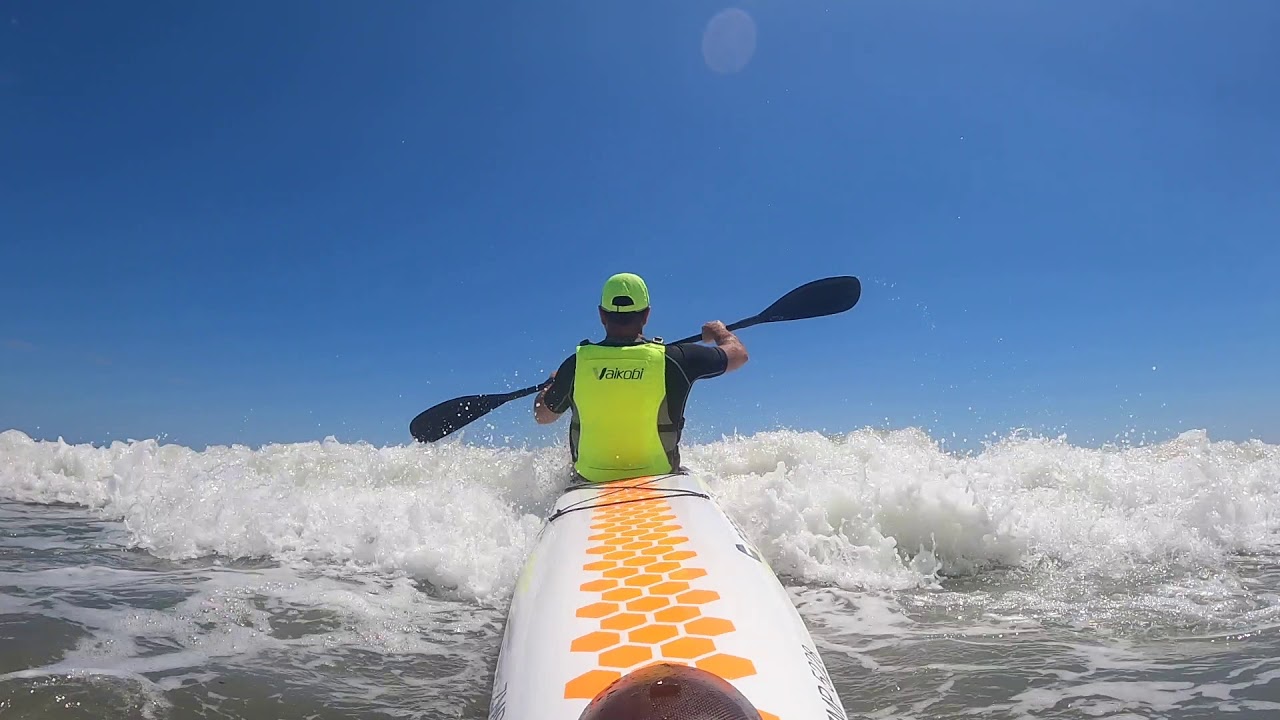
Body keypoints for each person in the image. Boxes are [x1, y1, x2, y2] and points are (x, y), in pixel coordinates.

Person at [533, 272, 748, 483]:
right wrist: (720, 331)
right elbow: (739, 355)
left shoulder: (575, 365)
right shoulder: (674, 359)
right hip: (659, 476)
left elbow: (543, 416)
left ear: (601, 315)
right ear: (647, 314)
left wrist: (553, 382)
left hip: (590, 480)